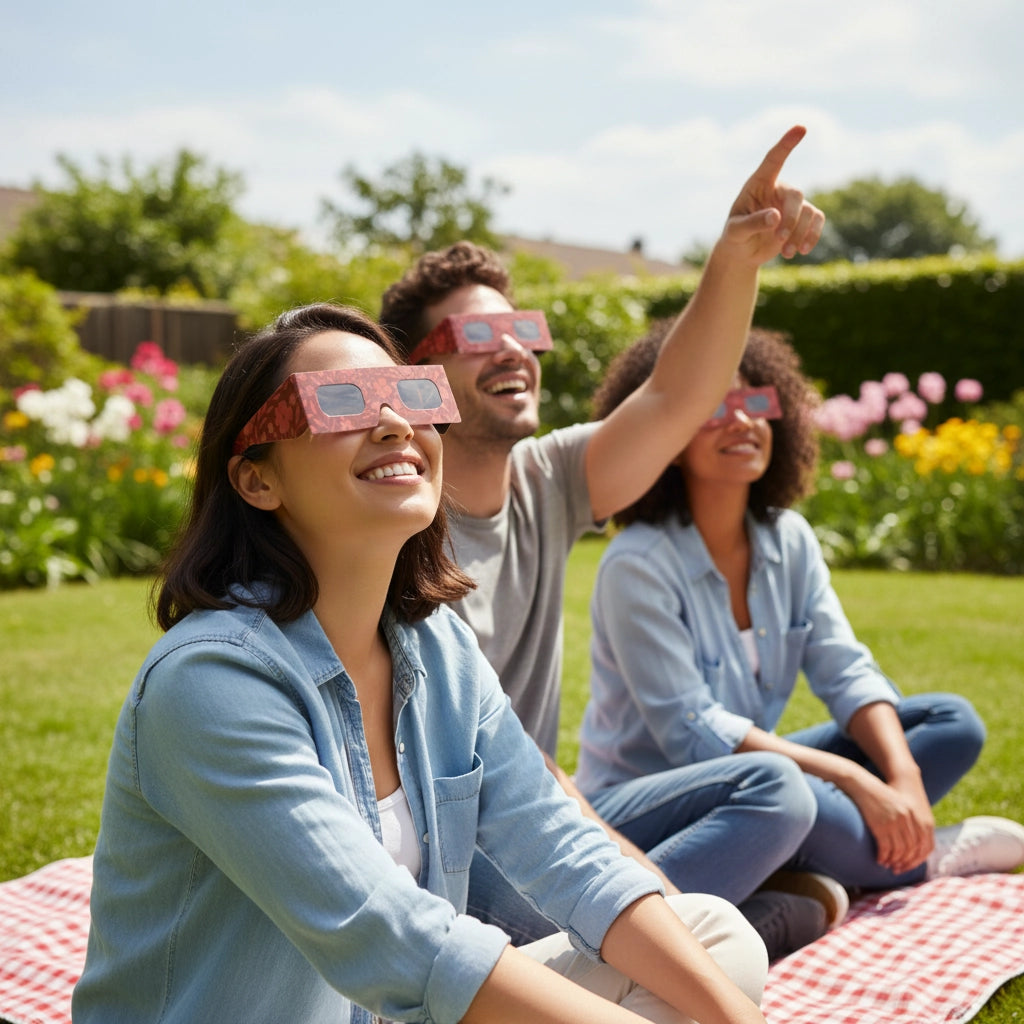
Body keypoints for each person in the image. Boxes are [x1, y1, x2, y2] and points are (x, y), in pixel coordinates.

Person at [71, 303, 771, 1024]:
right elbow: (394, 937)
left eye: (411, 394)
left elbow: (561, 846)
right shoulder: (208, 684)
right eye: (339, 402)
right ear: (257, 481)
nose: (395, 423)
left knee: (716, 940)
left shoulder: (435, 645)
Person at [380, 126, 843, 959]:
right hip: (456, 847)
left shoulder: (550, 479)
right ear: (415, 374)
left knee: (776, 791)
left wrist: (738, 255)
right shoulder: (391, 518)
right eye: (477, 337)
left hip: (548, 811)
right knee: (583, 901)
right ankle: (706, 935)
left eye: (521, 328)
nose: (515, 346)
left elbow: (675, 396)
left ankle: (617, 952)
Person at [576, 323, 1024, 899]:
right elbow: (691, 731)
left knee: (950, 723)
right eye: (713, 406)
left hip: (755, 775)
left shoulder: (788, 538)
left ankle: (804, 859)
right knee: (790, 788)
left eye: (753, 402)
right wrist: (855, 778)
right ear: (667, 427)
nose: (741, 421)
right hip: (644, 801)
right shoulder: (636, 564)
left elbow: (843, 667)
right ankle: (915, 862)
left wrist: (903, 778)